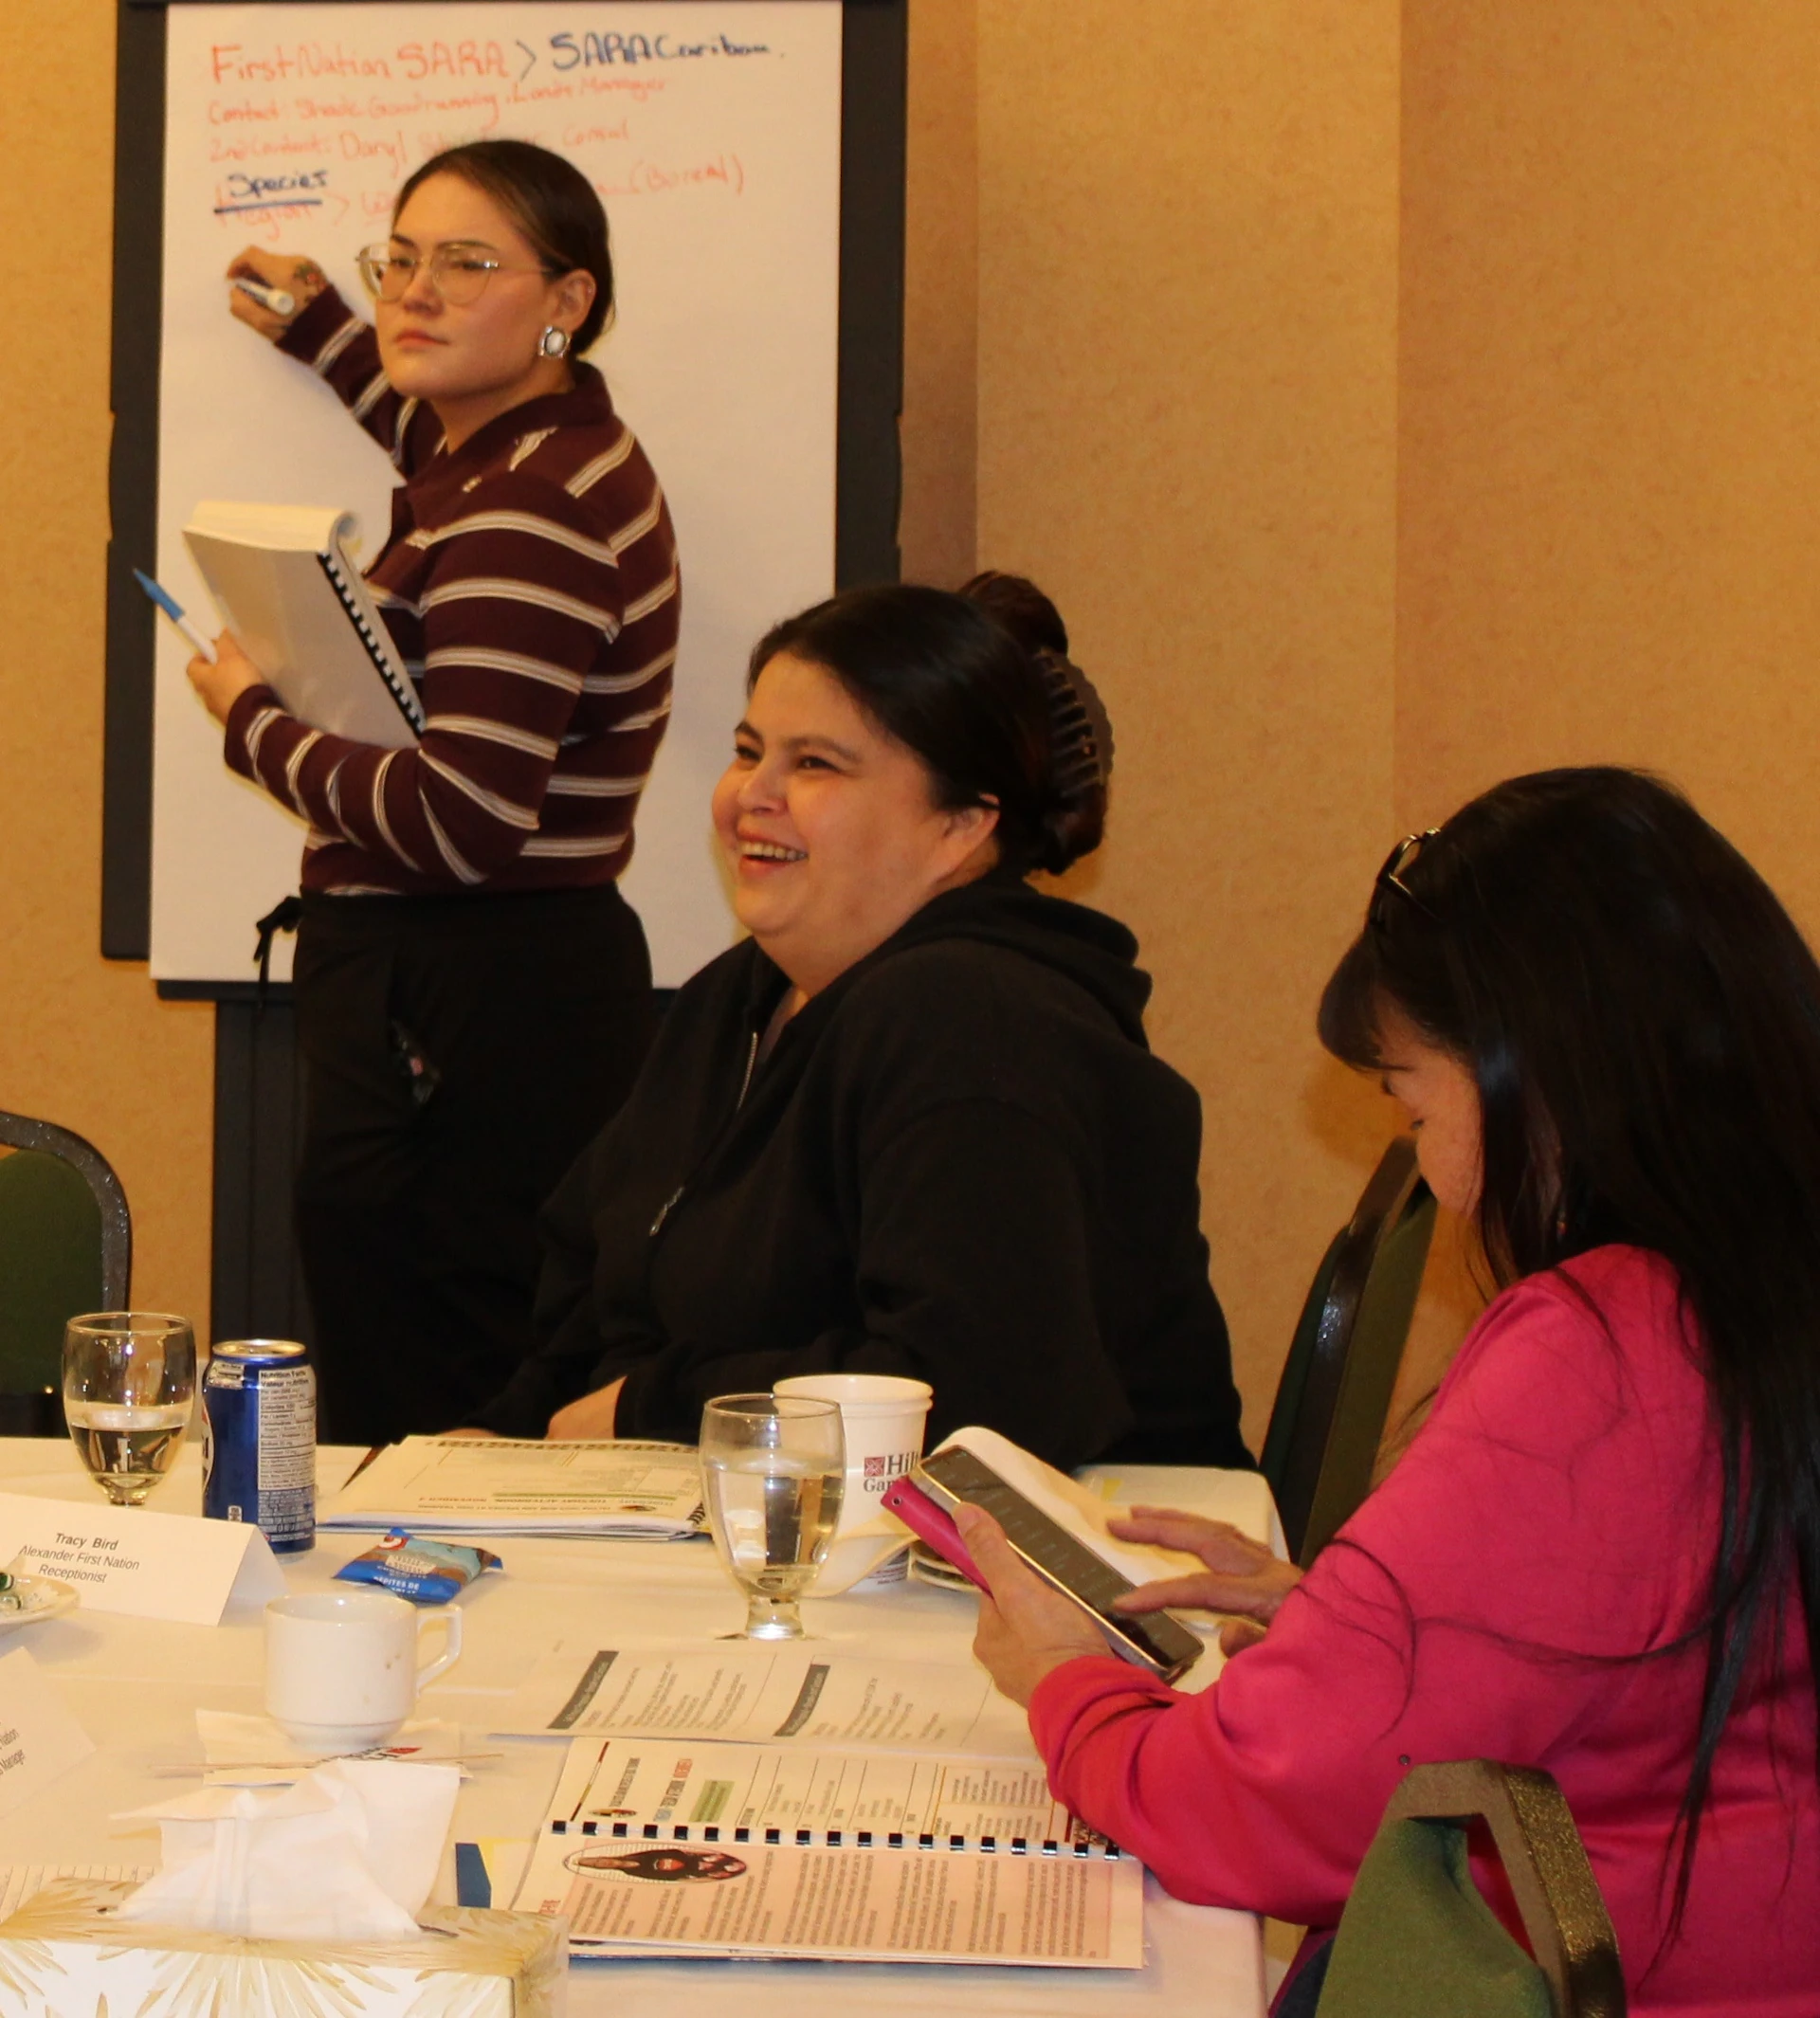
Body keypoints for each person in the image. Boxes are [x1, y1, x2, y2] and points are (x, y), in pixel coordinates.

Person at [962, 767, 1820, 2015]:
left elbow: (1269, 1807)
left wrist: (1068, 1685)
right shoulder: (1757, 1282)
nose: (1442, 1180)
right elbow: (1700, 1659)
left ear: (1534, 1074)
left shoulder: (1610, 1350)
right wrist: (1367, 1620)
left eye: (1415, 1105)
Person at [460, 574, 1250, 1472]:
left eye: (814, 765)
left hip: (1078, 1540)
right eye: (749, 751)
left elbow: (985, 1395)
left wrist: (662, 1404)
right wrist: (501, 1440)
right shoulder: (737, 998)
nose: (750, 795)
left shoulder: (976, 1021)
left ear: (960, 825)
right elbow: (600, 1292)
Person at [185, 141, 679, 1446]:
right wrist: (322, 328)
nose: (417, 292)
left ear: (566, 300)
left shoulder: (526, 511)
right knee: (444, 1389)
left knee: (435, 1416)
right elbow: (424, 420)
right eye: (399, 259)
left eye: (467, 263)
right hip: (486, 990)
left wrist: (254, 722)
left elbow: (461, 822)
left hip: (467, 1002)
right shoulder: (525, 454)